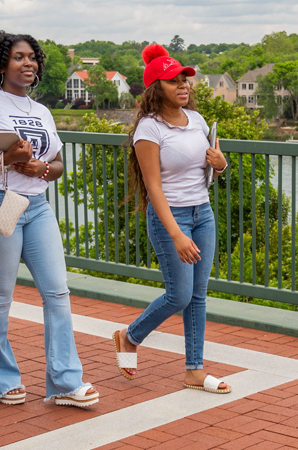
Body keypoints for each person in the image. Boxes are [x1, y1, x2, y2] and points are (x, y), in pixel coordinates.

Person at [0, 31, 98, 407]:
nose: (28, 63)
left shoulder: (42, 110)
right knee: (0, 296)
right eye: (19, 57)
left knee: (57, 291)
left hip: (36, 206)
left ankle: (65, 382)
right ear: (2, 63)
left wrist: (43, 169)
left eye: (32, 57)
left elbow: (60, 163)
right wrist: (11, 159)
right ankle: (0, 381)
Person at [111, 44, 231, 394]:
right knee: (179, 295)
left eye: (185, 79)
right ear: (155, 88)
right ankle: (129, 337)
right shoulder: (149, 129)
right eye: (173, 81)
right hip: (170, 218)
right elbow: (153, 187)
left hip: (202, 213)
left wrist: (220, 164)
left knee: (198, 295)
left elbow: (207, 173)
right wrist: (176, 234)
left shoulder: (197, 121)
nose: (184, 86)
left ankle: (194, 370)